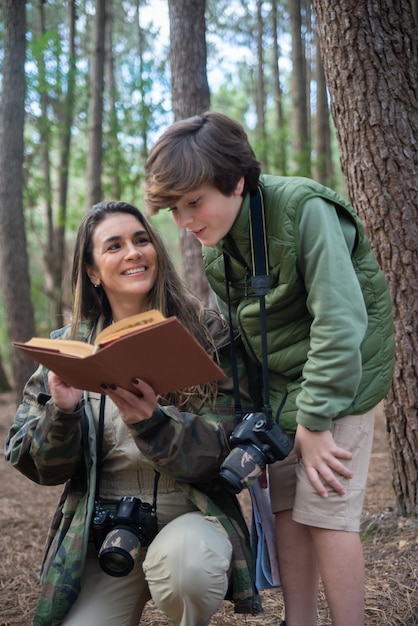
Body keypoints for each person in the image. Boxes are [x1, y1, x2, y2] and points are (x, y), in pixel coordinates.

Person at [143, 112, 396, 626]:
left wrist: (316, 421)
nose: (185, 221)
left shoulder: (306, 210)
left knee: (326, 513)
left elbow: (341, 320)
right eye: (174, 208)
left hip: (341, 382)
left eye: (195, 202)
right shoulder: (219, 252)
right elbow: (245, 340)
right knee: (285, 515)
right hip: (281, 395)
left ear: (236, 180)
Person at [4, 200, 263, 626]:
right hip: (106, 530)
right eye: (115, 245)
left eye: (141, 240)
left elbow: (229, 447)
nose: (133, 253)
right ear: (91, 270)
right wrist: (63, 413)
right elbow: (35, 465)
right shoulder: (67, 348)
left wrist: (154, 423)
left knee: (186, 571)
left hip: (190, 515)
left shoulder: (209, 333)